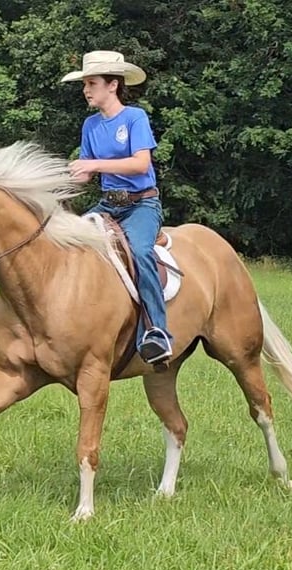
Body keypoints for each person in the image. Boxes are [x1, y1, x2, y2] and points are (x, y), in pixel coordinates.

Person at [61, 50, 173, 365]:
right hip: (107, 205)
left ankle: (156, 332)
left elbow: (141, 164)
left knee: (139, 252)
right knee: (70, 245)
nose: (86, 90)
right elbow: (86, 174)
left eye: (92, 83)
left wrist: (93, 164)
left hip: (142, 205)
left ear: (113, 84)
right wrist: (64, 179)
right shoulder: (90, 125)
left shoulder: (134, 117)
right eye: (85, 84)